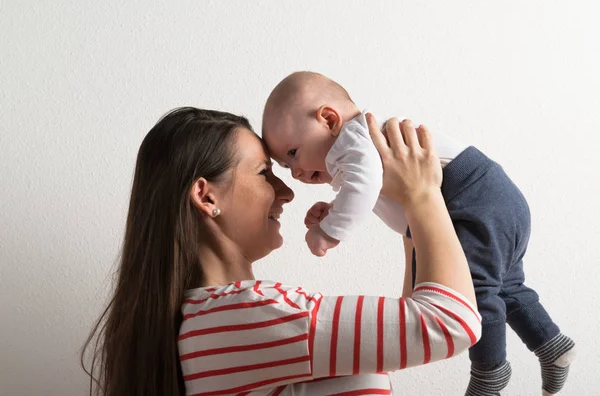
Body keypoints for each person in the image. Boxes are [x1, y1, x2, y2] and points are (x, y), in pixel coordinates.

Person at [82, 107, 481, 396]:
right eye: (264, 173)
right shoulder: (250, 314)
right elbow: (451, 323)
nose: (288, 191)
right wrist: (424, 192)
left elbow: (415, 321)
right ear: (206, 196)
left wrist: (411, 214)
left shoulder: (214, 321)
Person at [261, 71, 576, 395]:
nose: (296, 172)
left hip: (474, 198)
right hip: (490, 198)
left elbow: (363, 187)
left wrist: (328, 231)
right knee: (506, 285)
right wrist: (335, 207)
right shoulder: (356, 151)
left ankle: (490, 370)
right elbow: (370, 191)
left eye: (294, 153)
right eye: (286, 166)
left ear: (328, 119)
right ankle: (552, 344)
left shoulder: (355, 138)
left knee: (476, 290)